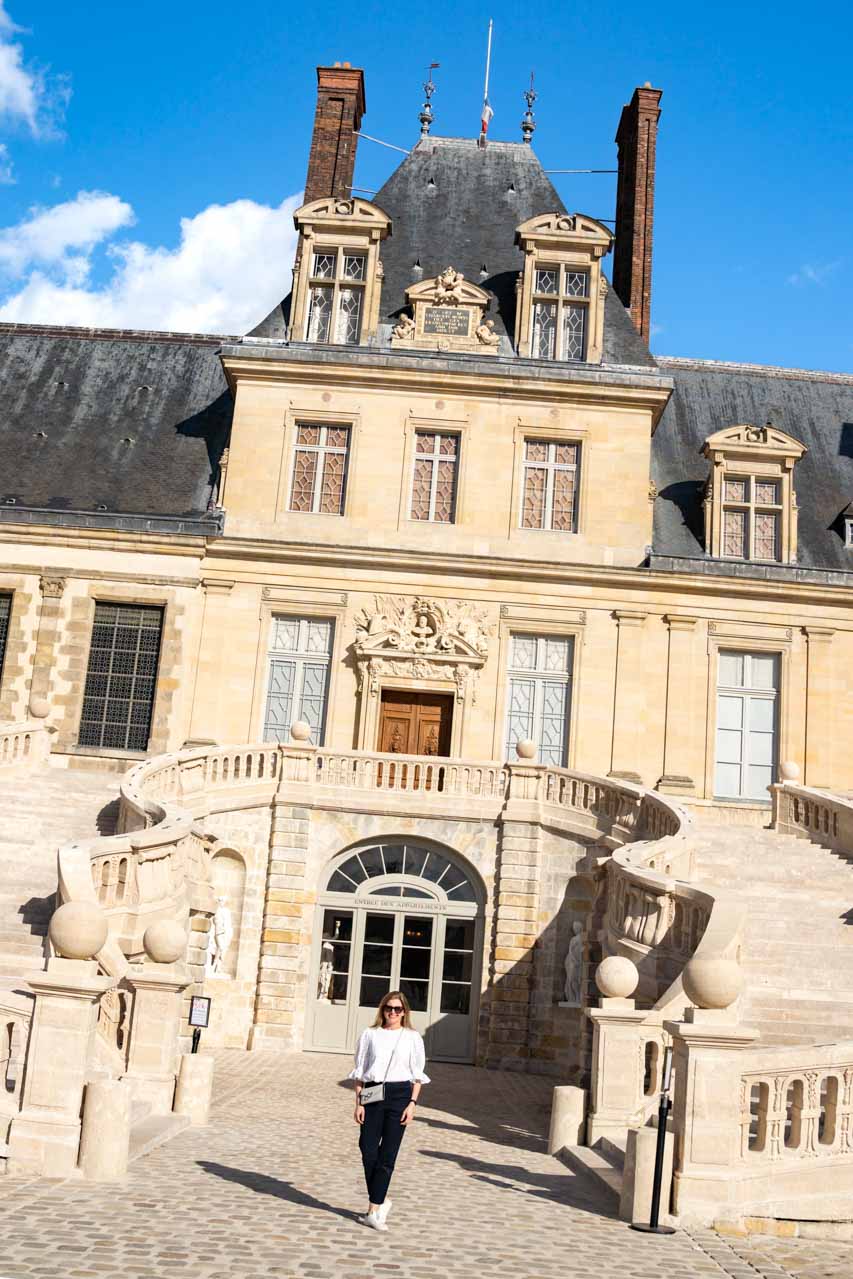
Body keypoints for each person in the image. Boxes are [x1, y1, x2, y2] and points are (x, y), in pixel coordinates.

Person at [349, 990, 430, 1231]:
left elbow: (417, 1075)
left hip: (400, 1095)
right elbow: (360, 1071)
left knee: (388, 1154)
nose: (392, 1013)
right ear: (382, 1010)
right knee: (368, 1148)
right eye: (388, 1008)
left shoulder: (412, 1037)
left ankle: (373, 1209)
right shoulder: (370, 1034)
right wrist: (359, 1103)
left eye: (397, 1009)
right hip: (373, 1093)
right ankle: (382, 1200)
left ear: (405, 1012)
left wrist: (412, 1104)